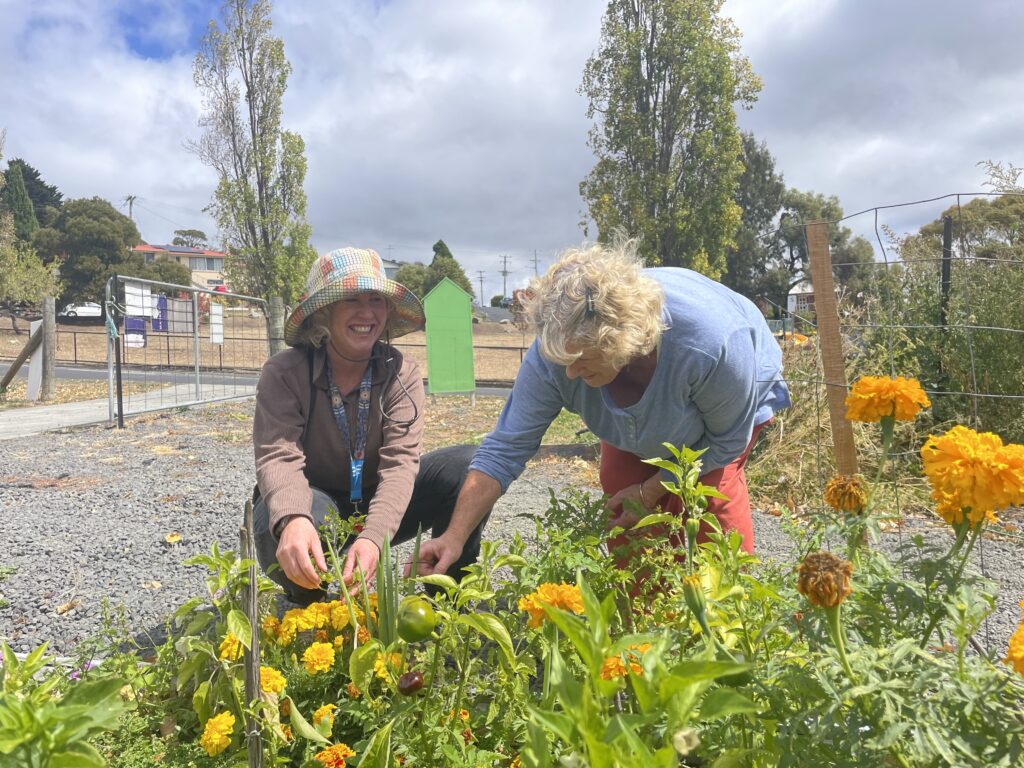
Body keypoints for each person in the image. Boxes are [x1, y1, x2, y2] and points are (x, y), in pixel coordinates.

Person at [415, 238, 791, 576]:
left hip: (717, 424)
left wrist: (651, 490)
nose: (572, 374)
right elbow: (504, 449)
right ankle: (640, 628)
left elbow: (726, 442)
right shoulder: (557, 354)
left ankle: (723, 626)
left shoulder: (711, 343)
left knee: (709, 504)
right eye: (563, 361)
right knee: (623, 499)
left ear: (622, 341)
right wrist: (454, 536)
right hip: (645, 416)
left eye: (584, 359)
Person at [252, 247, 482, 605]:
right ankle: (313, 609)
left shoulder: (401, 374)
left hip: (378, 497)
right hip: (317, 499)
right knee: (281, 512)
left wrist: (374, 536)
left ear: (388, 311)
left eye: (376, 299)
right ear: (323, 313)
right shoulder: (284, 373)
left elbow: (401, 463)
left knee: (468, 467)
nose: (366, 312)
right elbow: (277, 456)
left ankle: (445, 603)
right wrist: (294, 517)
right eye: (350, 299)